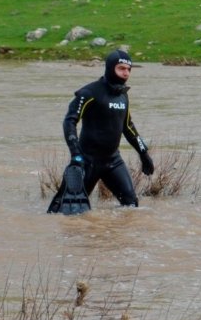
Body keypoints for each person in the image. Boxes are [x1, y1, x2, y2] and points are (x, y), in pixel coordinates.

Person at [52, 49, 154, 210]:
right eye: (121, 68)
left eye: (129, 69)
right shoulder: (89, 93)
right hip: (86, 162)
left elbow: (128, 126)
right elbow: (69, 122)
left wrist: (144, 153)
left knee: (132, 207)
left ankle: (110, 234)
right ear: (110, 68)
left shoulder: (123, 96)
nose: (126, 73)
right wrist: (76, 155)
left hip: (113, 162)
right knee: (64, 211)